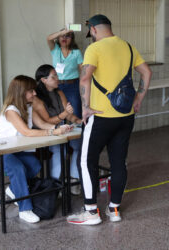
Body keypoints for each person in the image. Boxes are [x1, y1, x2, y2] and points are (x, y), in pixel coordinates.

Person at [67, 14, 152, 225]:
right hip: (126, 116)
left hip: (100, 116)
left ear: (93, 30)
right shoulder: (129, 47)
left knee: (87, 161)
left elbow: (85, 77)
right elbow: (146, 73)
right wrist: (139, 98)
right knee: (118, 162)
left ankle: (91, 212)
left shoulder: (94, 49)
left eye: (91, 34)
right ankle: (114, 209)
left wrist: (85, 108)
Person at [0, 75, 72, 223]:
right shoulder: (10, 111)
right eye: (31, 91)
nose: (35, 93)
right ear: (21, 92)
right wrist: (53, 132)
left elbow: (43, 124)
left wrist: (60, 128)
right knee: (17, 168)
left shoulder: (28, 107)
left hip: (12, 150)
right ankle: (25, 209)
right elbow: (27, 132)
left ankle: (13, 190)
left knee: (34, 164)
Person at [33, 64, 82, 195]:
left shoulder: (59, 92)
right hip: (46, 133)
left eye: (56, 75)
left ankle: (73, 179)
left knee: (79, 145)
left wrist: (78, 121)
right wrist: (64, 115)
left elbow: (69, 113)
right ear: (44, 80)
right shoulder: (37, 98)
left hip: (62, 129)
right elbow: (46, 121)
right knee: (61, 149)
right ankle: (54, 184)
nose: (57, 79)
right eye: (53, 76)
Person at [47, 28, 84, 119]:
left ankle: (77, 131)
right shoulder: (55, 49)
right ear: (58, 38)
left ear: (72, 39)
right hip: (57, 85)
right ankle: (60, 131)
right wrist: (62, 32)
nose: (64, 38)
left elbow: (83, 70)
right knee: (58, 111)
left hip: (72, 86)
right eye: (62, 36)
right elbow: (48, 38)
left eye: (68, 36)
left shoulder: (76, 52)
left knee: (75, 111)